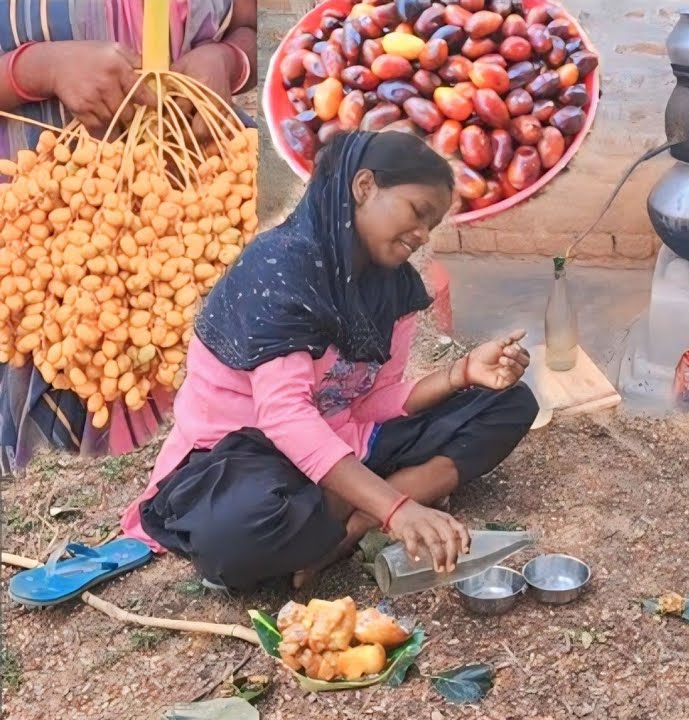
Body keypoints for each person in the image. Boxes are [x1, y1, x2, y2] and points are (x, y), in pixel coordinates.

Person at [120, 131, 539, 591]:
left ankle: (351, 523)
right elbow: (285, 417)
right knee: (235, 534)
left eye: (432, 225)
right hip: (242, 456)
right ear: (364, 187)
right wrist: (397, 510)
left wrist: (460, 375)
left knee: (509, 404)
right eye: (418, 212)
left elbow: (370, 401)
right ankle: (374, 498)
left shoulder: (391, 289)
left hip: (341, 438)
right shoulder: (279, 269)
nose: (422, 235)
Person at [0, 0, 257, 470]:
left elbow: (244, 27)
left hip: (186, 215)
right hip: (41, 242)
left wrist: (226, 61)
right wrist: (38, 69)